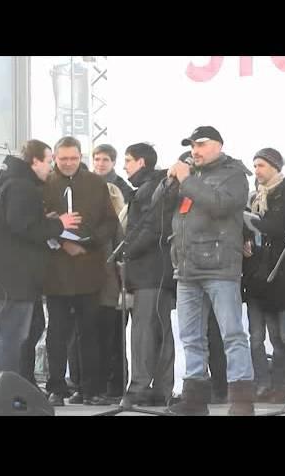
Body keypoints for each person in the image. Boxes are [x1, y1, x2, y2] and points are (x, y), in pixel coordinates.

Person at [161, 126, 255, 416]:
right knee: (191, 337)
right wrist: (169, 182)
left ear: (219, 145)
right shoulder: (189, 174)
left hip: (219, 266)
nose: (195, 150)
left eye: (201, 144)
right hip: (186, 267)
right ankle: (194, 400)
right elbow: (158, 206)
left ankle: (241, 401)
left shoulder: (234, 175)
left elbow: (219, 205)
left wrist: (187, 180)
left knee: (232, 334)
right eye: (192, 145)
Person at [0, 139, 81, 374]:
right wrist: (59, 224)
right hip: (16, 278)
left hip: (2, 276)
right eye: (48, 161)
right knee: (11, 338)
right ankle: (5, 387)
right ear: (35, 161)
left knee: (0, 337)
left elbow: (19, 222)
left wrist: (44, 220)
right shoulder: (22, 187)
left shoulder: (9, 183)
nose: (50, 167)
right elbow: (25, 228)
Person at [43, 136, 119, 406]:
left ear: (81, 157)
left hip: (89, 268)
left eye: (73, 158)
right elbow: (37, 224)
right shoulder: (45, 183)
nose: (68, 163)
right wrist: (62, 243)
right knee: (57, 333)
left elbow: (110, 222)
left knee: (90, 333)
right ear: (55, 158)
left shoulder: (96, 183)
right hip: (56, 271)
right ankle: (56, 387)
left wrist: (89, 242)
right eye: (63, 159)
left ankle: (91, 389)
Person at [242, 148, 285, 404]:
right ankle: (267, 385)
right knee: (267, 336)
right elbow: (246, 228)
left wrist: (263, 225)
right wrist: (245, 239)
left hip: (284, 275)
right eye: (255, 166)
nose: (257, 171)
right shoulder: (253, 197)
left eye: (261, 165)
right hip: (259, 276)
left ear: (275, 167)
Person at [119, 142, 175, 407]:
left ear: (141, 162)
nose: (125, 167)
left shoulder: (151, 188)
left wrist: (126, 251)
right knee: (158, 331)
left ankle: (140, 387)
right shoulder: (152, 187)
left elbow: (153, 229)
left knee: (144, 332)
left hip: (150, 271)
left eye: (128, 161)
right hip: (153, 271)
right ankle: (161, 388)